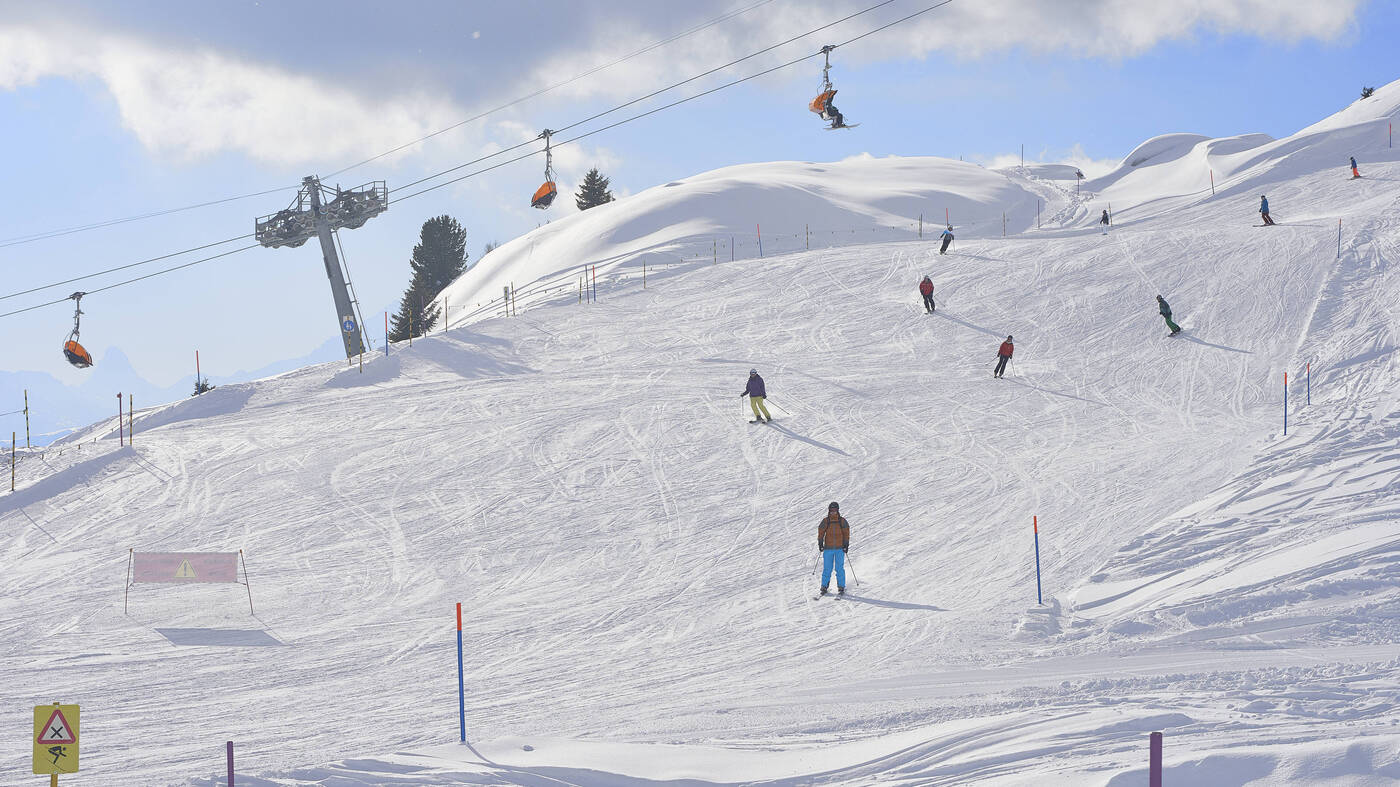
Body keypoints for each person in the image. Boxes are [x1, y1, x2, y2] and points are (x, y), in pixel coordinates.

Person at [817, 501, 849, 595]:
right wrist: (820, 542)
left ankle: (841, 587)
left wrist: (846, 544)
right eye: (831, 510)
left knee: (839, 568)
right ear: (829, 510)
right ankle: (824, 586)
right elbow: (821, 531)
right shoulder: (826, 521)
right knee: (827, 568)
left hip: (839, 549)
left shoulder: (842, 521)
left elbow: (846, 532)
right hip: (828, 549)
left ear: (838, 510)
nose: (833, 512)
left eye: (835, 510)